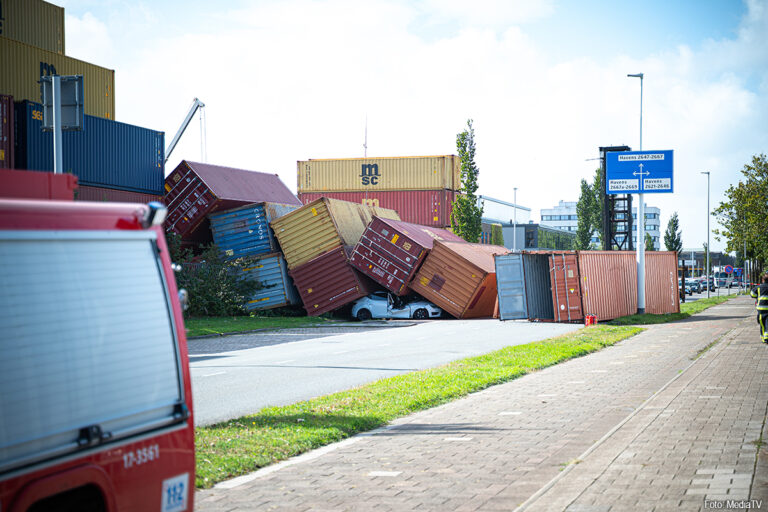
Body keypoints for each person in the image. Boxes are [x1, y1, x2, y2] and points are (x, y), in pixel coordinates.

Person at [751, 274, 768, 343]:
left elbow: (752, 294)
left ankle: (764, 338)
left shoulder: (759, 287)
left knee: (762, 323)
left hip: (761, 309)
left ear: (763, 280)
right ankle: (766, 336)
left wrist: (758, 296)